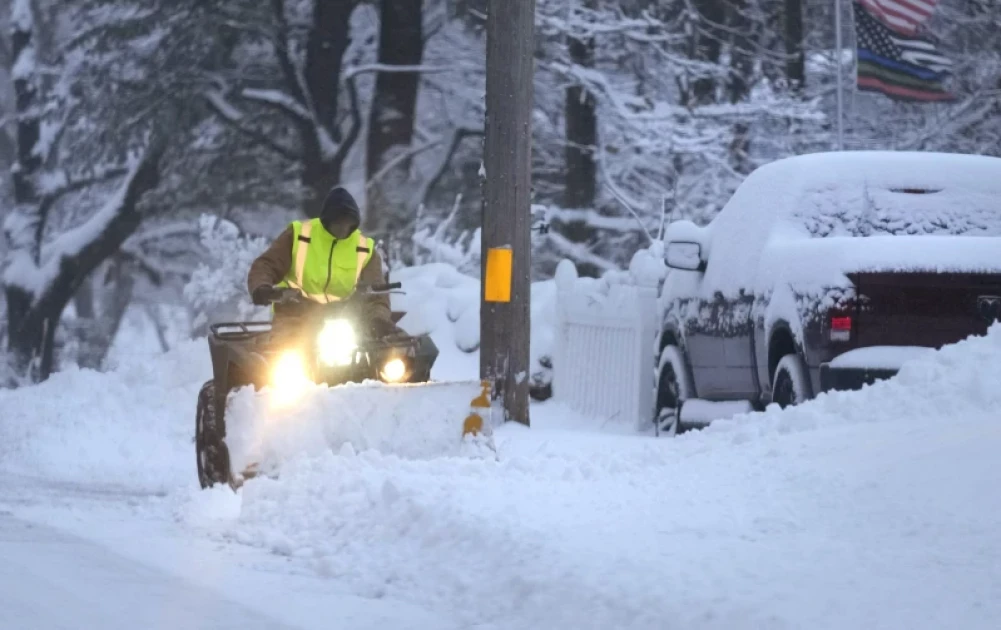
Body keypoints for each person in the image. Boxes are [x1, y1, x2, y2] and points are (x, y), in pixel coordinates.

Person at [246, 186, 397, 337]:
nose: (343, 227)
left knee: (385, 357)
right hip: (294, 319)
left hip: (347, 326)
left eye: (348, 222)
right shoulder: (299, 235)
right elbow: (266, 265)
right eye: (338, 222)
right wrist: (262, 288)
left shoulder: (364, 249)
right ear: (327, 220)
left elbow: (377, 293)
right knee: (280, 357)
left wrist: (378, 318)